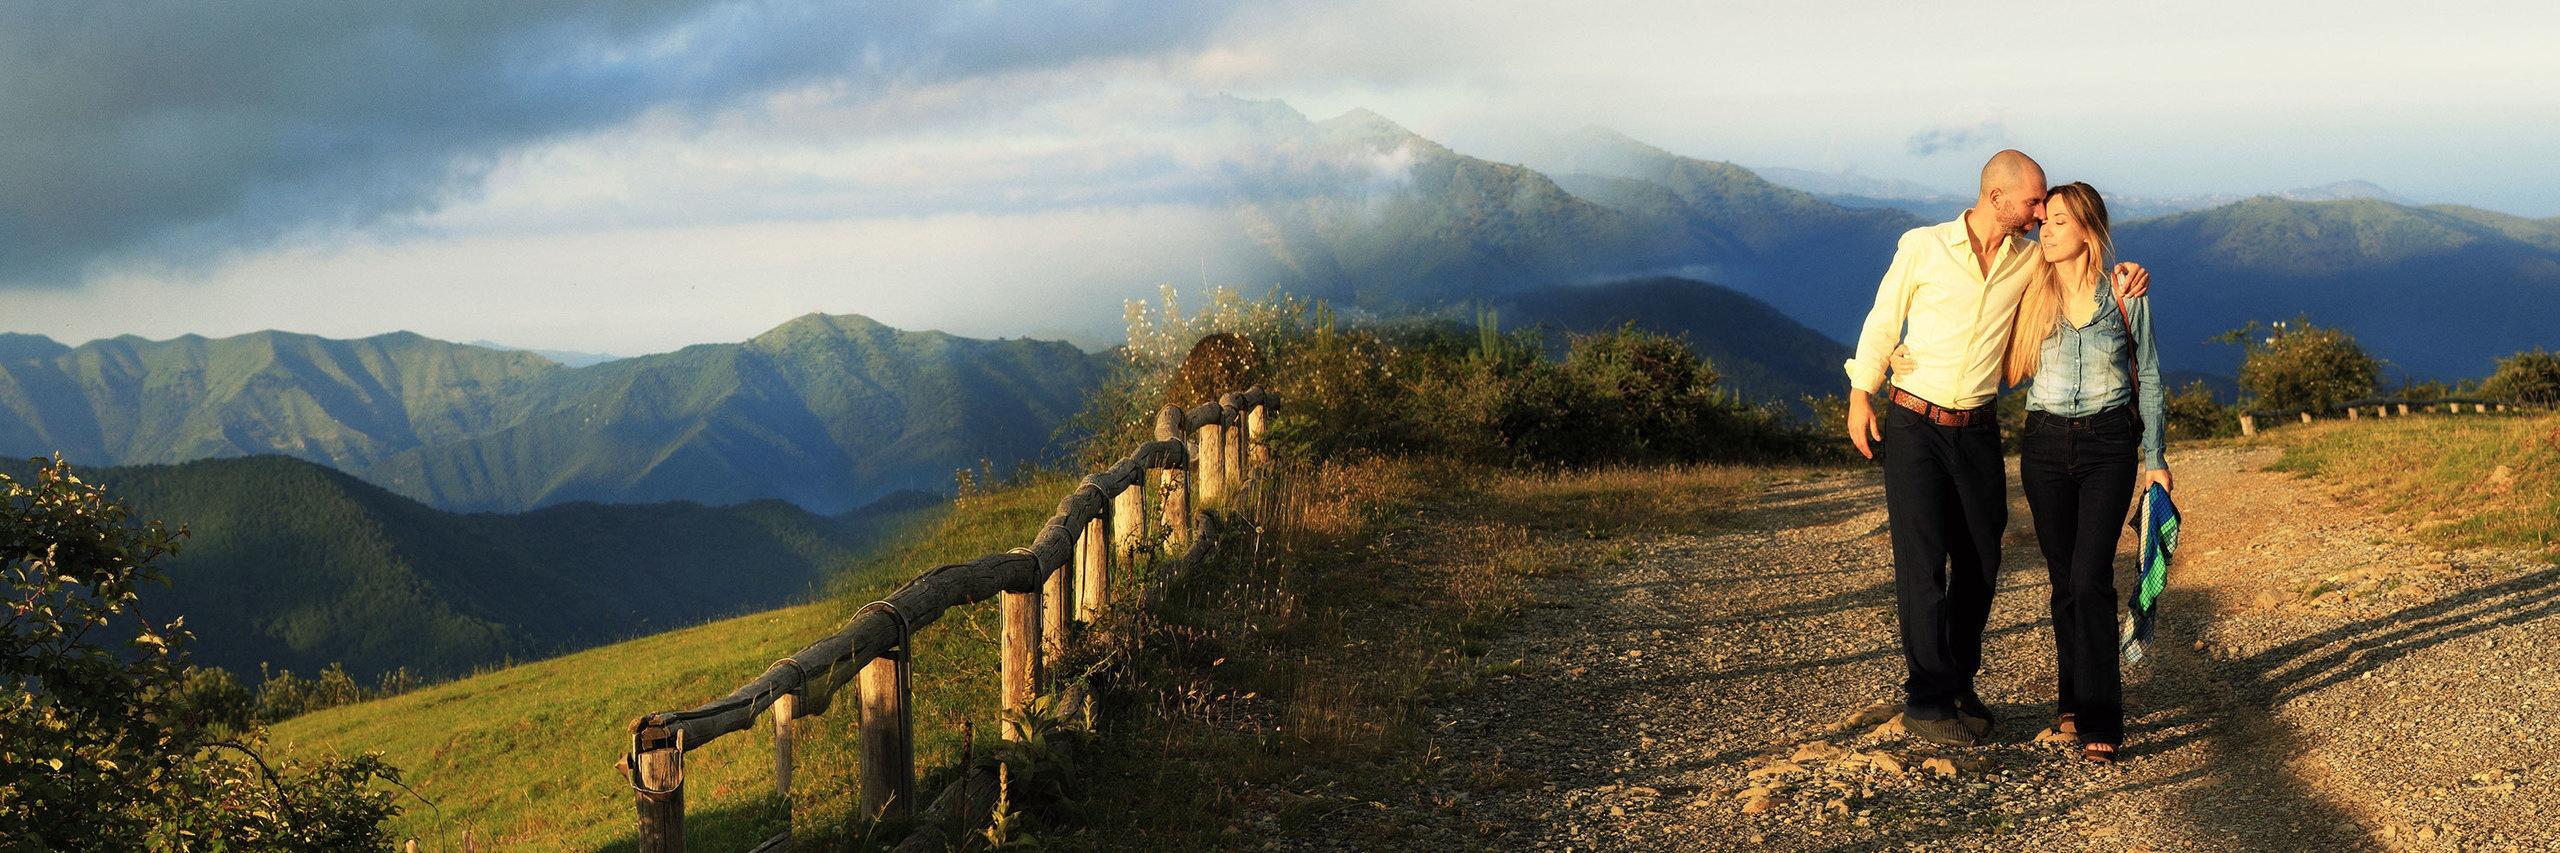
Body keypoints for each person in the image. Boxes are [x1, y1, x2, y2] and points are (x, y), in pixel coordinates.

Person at [1841, 150, 2147, 748]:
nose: (2040, 214)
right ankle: (1928, 701)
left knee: (1981, 564)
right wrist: (1862, 393)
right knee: (1923, 565)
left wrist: (2129, 276)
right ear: (1997, 197)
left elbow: (2082, 276)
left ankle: (1957, 681)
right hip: (1914, 420)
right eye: (2033, 202)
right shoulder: (1923, 247)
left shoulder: (2030, 261)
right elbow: (1884, 320)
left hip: (1979, 429)